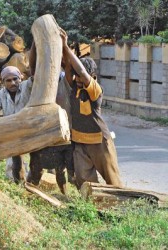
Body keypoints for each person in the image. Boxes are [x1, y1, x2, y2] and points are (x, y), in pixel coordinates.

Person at [60, 28, 123, 189]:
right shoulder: (73, 88)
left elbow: (81, 70)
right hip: (79, 142)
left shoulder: (95, 90)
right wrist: (62, 46)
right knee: (84, 181)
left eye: (81, 76)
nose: (78, 79)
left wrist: (67, 47)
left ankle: (120, 207)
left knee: (112, 180)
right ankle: (93, 209)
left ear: (92, 76)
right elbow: (69, 67)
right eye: (76, 76)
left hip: (100, 142)